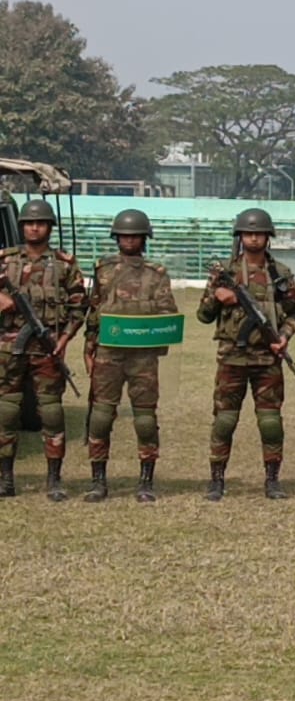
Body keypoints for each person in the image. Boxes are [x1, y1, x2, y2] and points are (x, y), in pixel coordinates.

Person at [197, 207, 295, 500]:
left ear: (268, 237)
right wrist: (218, 297)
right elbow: (203, 316)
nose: (254, 238)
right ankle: (216, 480)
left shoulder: (280, 274)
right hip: (232, 357)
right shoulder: (225, 273)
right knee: (224, 421)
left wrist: (284, 336)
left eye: (259, 233)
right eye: (248, 233)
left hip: (267, 359)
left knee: (270, 422)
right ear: (240, 236)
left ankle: (272, 480)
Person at [82, 208, 178, 502]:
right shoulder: (103, 269)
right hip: (108, 355)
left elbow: (168, 315)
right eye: (124, 235)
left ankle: (146, 482)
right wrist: (89, 345)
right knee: (100, 417)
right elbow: (94, 310)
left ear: (144, 238)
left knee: (145, 420)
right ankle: (98, 482)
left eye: (135, 235)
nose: (129, 240)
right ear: (116, 237)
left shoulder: (156, 274)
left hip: (142, 358)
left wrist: (153, 331)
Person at [0, 199, 86, 501]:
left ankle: (54, 480)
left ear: (50, 227)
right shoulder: (4, 260)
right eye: (29, 223)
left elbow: (79, 307)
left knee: (51, 413)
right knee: (6, 412)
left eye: (40, 223)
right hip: (9, 348)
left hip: (48, 348)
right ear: (22, 226)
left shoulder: (65, 264)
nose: (34, 228)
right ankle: (5, 478)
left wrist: (64, 340)